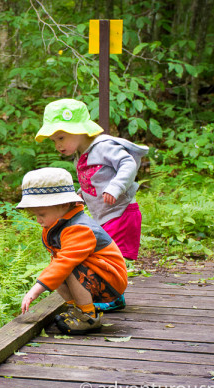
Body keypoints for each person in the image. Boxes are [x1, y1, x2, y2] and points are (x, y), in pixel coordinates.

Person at [34, 99, 148, 312]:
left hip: (121, 211)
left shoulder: (103, 146)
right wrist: (81, 195)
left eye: (61, 137)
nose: (58, 145)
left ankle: (115, 297)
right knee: (100, 253)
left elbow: (127, 163)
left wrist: (115, 187)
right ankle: (101, 292)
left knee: (111, 255)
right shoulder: (83, 153)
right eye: (53, 140)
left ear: (79, 131)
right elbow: (94, 180)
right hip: (104, 214)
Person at [17, 167, 127, 335]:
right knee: (57, 268)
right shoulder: (59, 223)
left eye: (42, 214)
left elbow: (65, 262)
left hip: (111, 279)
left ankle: (88, 316)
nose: (38, 220)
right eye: (35, 216)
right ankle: (76, 308)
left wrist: (35, 290)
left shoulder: (79, 228)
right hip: (96, 275)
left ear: (63, 204)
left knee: (65, 268)